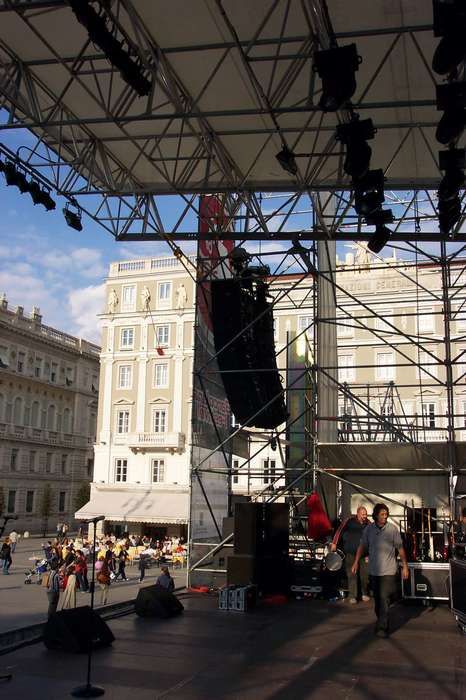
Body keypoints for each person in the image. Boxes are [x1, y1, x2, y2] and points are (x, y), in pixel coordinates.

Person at [352, 503, 409, 638]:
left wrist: (405, 566)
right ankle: (381, 620)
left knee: (383, 598)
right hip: (374, 571)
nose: (385, 516)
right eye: (382, 514)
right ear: (376, 515)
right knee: (378, 601)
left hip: (388, 571)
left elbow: (400, 549)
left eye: (386, 514)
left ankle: (382, 627)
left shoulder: (392, 529)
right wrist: (355, 562)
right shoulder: (369, 530)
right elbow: (362, 546)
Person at [331, 506, 370, 604]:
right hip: (351, 553)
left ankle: (364, 593)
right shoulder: (349, 521)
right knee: (352, 574)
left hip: (364, 554)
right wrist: (334, 543)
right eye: (363, 514)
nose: (365, 516)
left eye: (366, 514)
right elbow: (339, 531)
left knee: (365, 575)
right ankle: (353, 595)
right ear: (357, 513)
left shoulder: (369, 524)